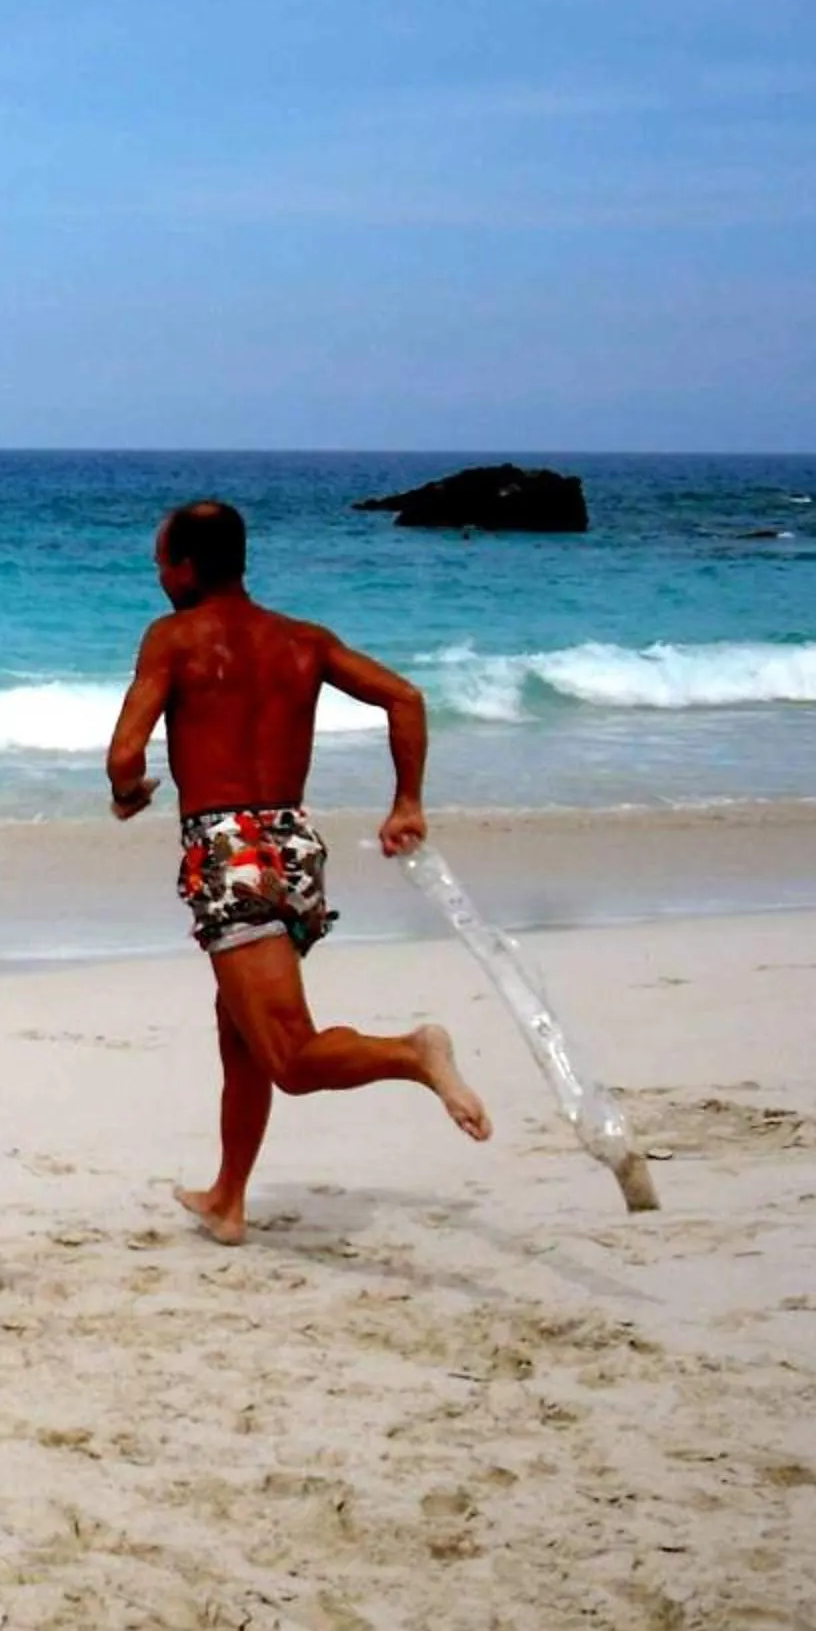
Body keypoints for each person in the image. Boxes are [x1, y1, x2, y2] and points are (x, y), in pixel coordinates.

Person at [105, 501, 491, 1246]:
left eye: (161, 562)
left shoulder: (173, 637)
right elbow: (404, 698)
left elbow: (125, 754)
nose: (157, 576)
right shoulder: (303, 640)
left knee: (288, 1054)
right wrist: (407, 801)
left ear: (187, 567)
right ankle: (227, 1198)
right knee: (242, 1034)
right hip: (294, 846)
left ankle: (414, 1053)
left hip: (230, 854)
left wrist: (128, 794)